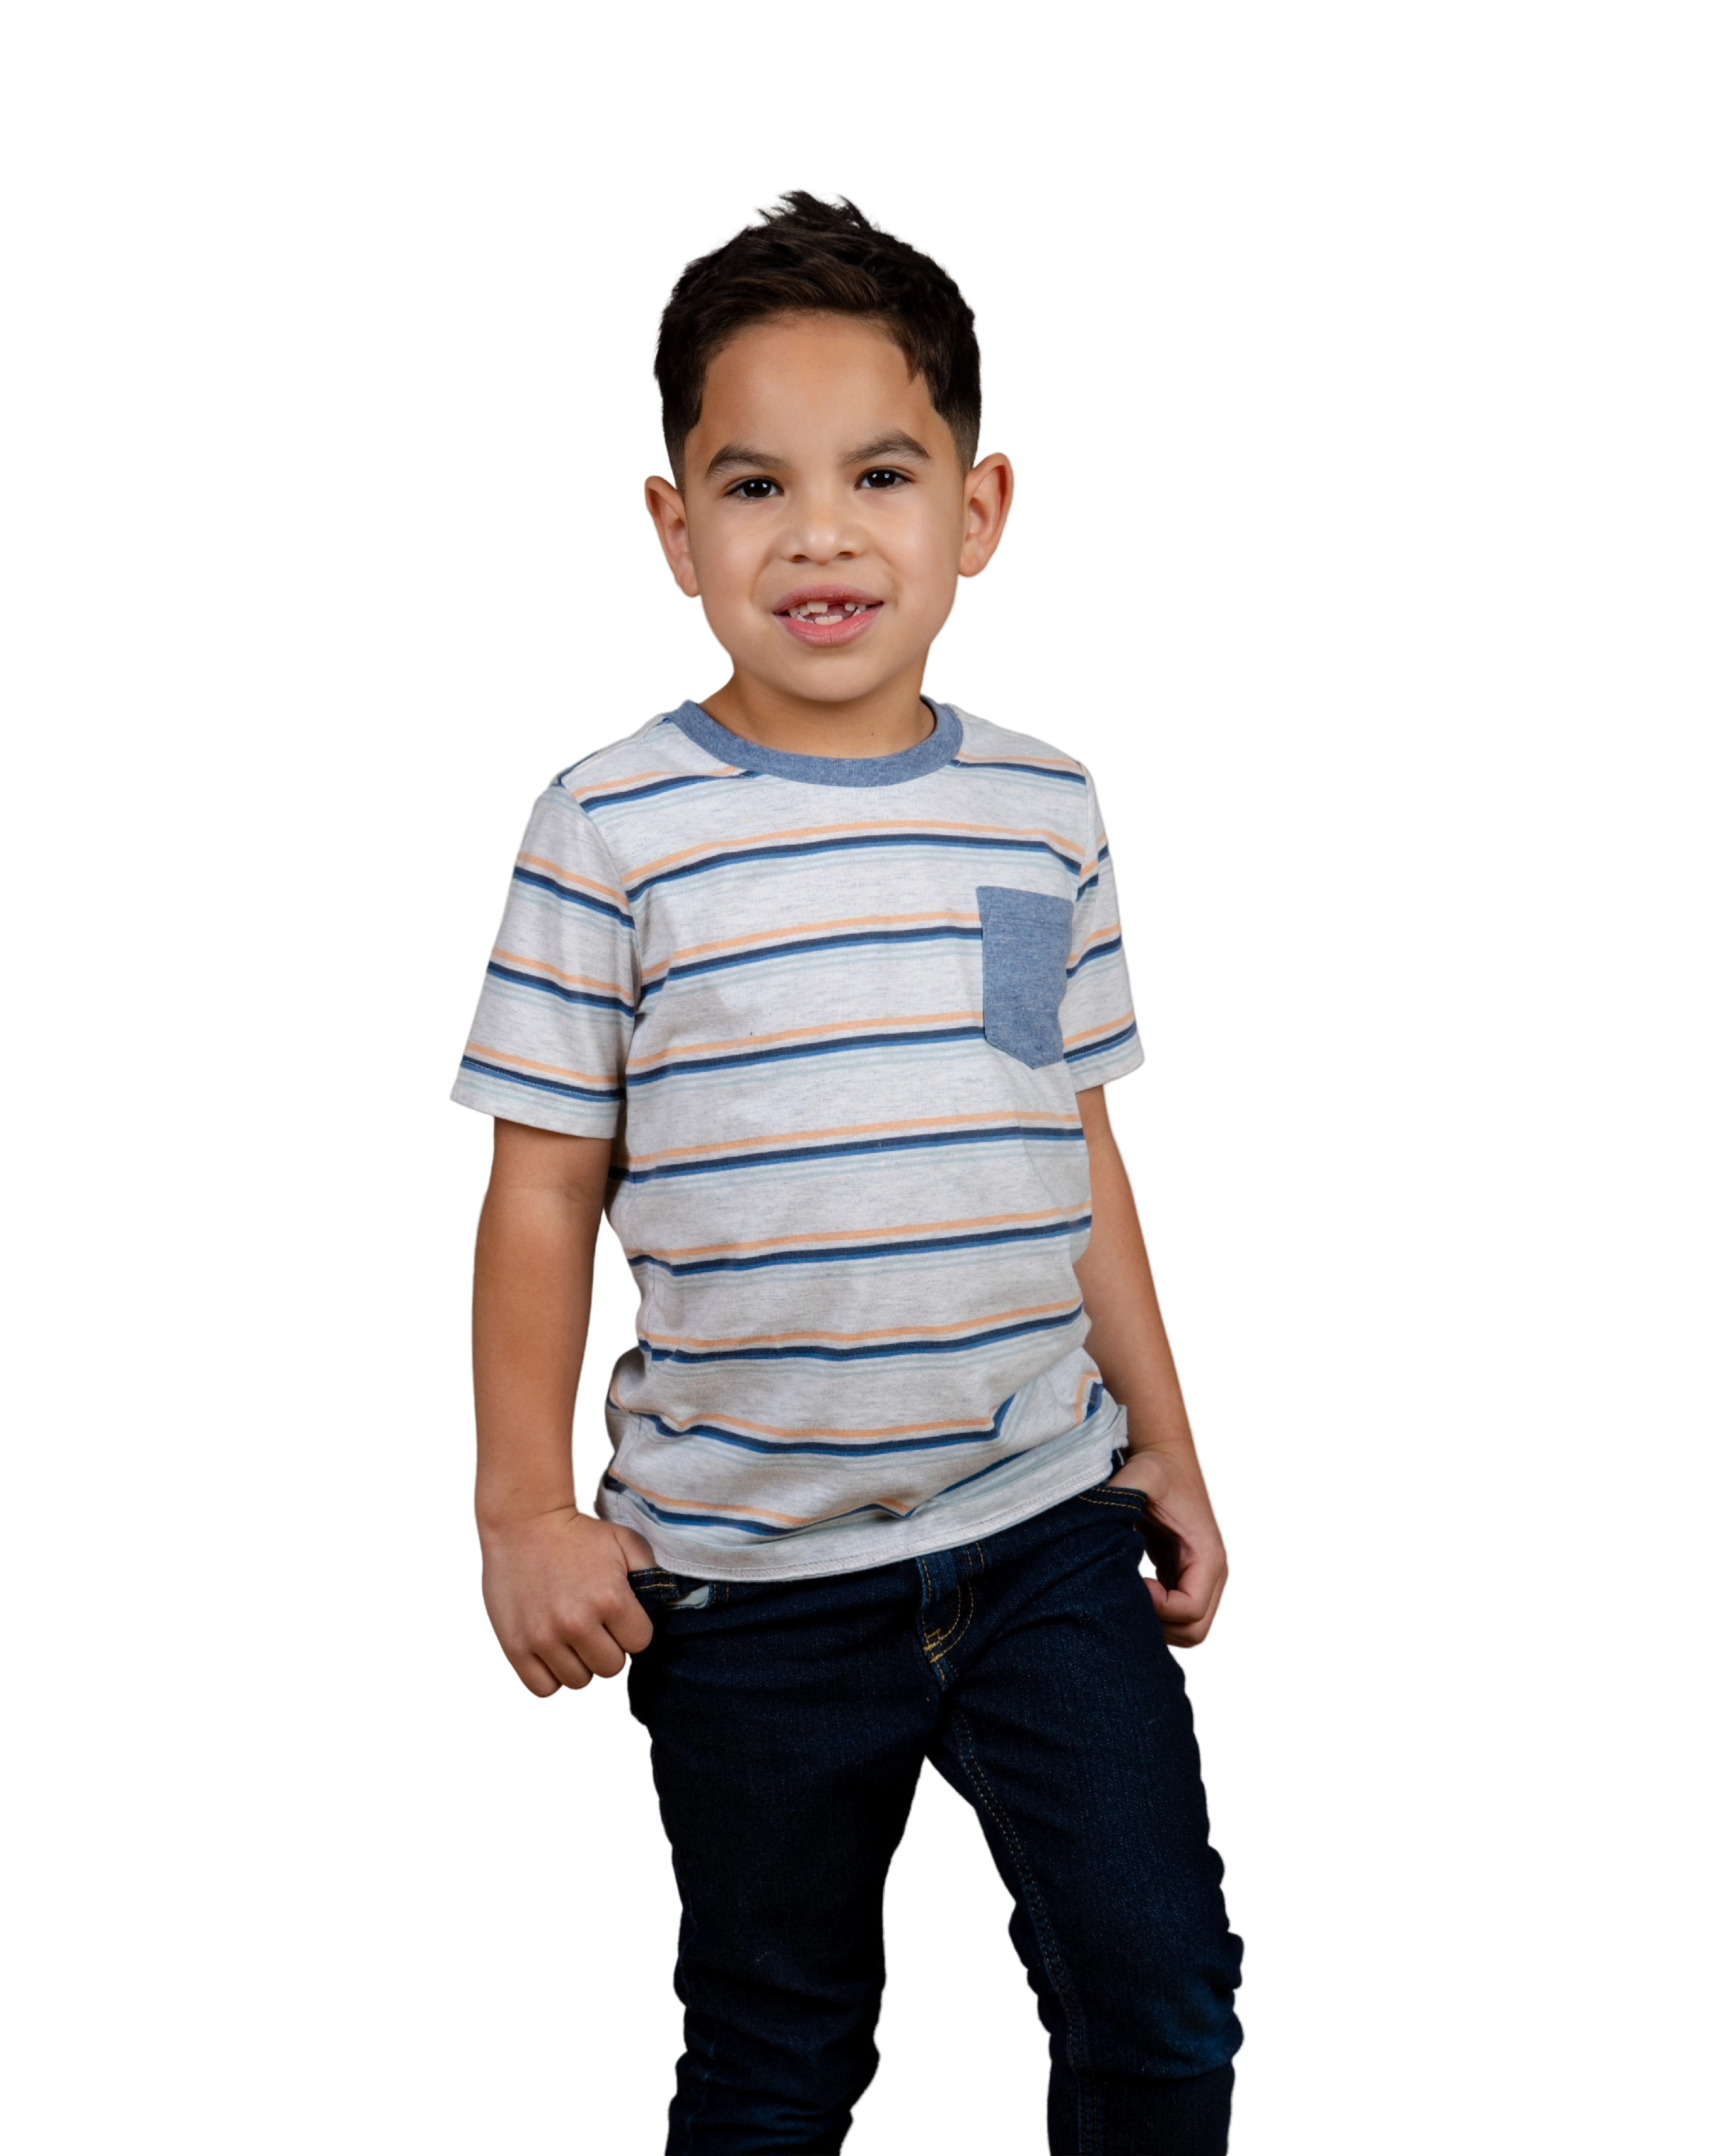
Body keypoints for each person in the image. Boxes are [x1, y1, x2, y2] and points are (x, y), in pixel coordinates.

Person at [447, 183, 1246, 2156]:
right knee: (779, 2053)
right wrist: (521, 1507)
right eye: (755, 484)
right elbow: (539, 1189)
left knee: (1163, 1992)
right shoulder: (610, 834)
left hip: (1044, 1525)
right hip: (746, 1584)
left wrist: (1167, 1441)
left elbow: (1072, 1131)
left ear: (980, 509)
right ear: (675, 532)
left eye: (880, 473)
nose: (820, 533)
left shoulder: (1043, 806)